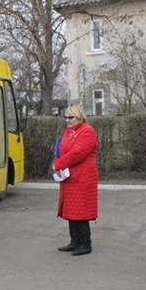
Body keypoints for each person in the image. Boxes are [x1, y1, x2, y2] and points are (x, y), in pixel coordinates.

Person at [52, 104, 99, 256]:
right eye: (66, 117)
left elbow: (77, 153)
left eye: (71, 117)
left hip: (83, 178)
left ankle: (86, 243)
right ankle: (74, 241)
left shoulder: (87, 131)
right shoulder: (69, 131)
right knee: (70, 211)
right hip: (69, 176)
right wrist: (57, 160)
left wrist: (58, 164)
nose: (68, 120)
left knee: (81, 211)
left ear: (79, 117)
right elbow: (62, 150)